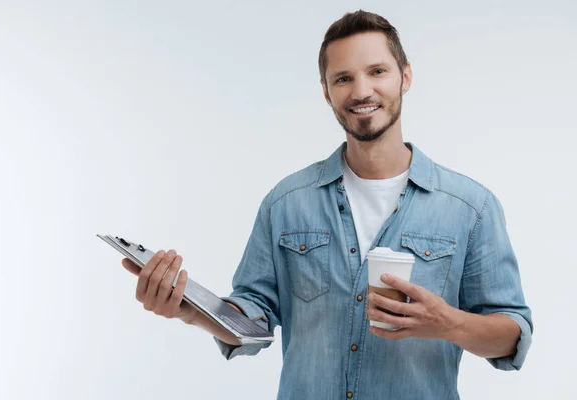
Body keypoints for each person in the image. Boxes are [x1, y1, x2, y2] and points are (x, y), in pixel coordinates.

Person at [121, 10, 533, 400]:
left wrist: (448, 323)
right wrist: (189, 310)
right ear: (326, 92)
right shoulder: (286, 203)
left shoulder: (470, 207)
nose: (361, 91)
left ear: (405, 77)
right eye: (343, 78)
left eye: (377, 72)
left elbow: (512, 334)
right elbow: (251, 322)